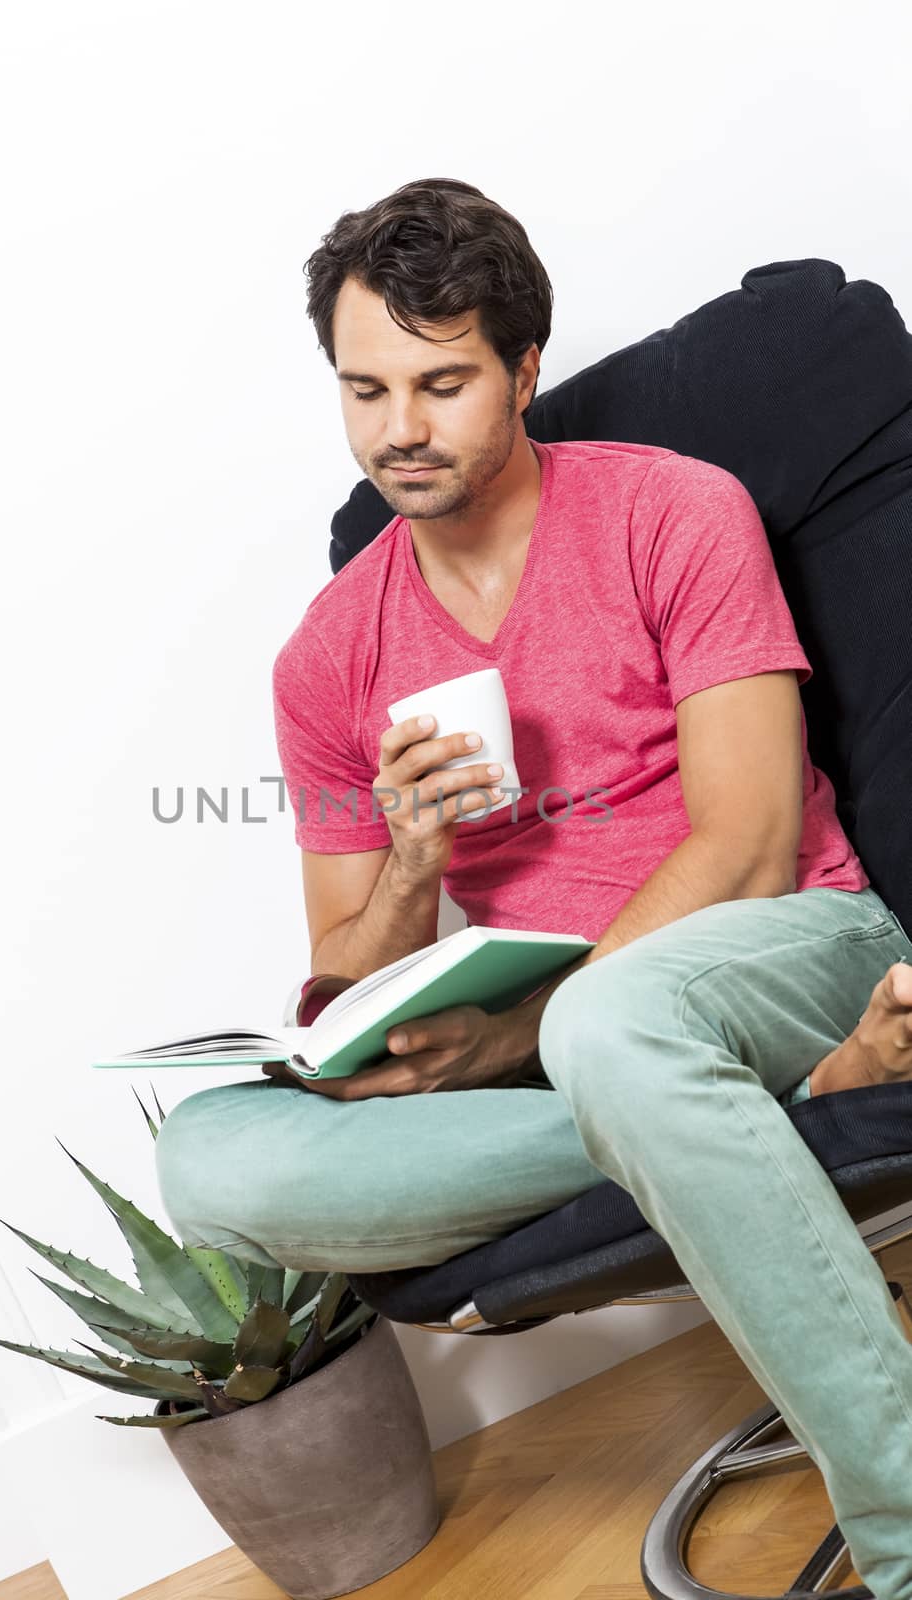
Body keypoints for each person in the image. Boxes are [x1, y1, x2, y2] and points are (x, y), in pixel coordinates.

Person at [154, 178, 912, 1595]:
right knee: (213, 1161)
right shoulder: (330, 655)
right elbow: (340, 971)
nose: (399, 428)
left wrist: (541, 1023)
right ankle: (765, 1117)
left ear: (524, 371)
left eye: (441, 383)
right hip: (579, 1045)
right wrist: (412, 875)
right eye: (364, 387)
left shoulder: (675, 513)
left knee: (609, 1028)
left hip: (787, 937)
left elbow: (749, 838)